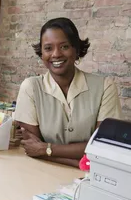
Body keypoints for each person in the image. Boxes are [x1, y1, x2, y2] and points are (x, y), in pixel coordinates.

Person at [14, 17, 122, 168]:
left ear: (76, 49)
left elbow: (102, 147)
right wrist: (80, 161)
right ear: (42, 53)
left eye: (64, 47)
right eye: (48, 48)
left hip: (89, 178)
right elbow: (32, 148)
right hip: (41, 173)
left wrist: (47, 149)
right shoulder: (31, 87)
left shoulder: (104, 87)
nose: (56, 54)